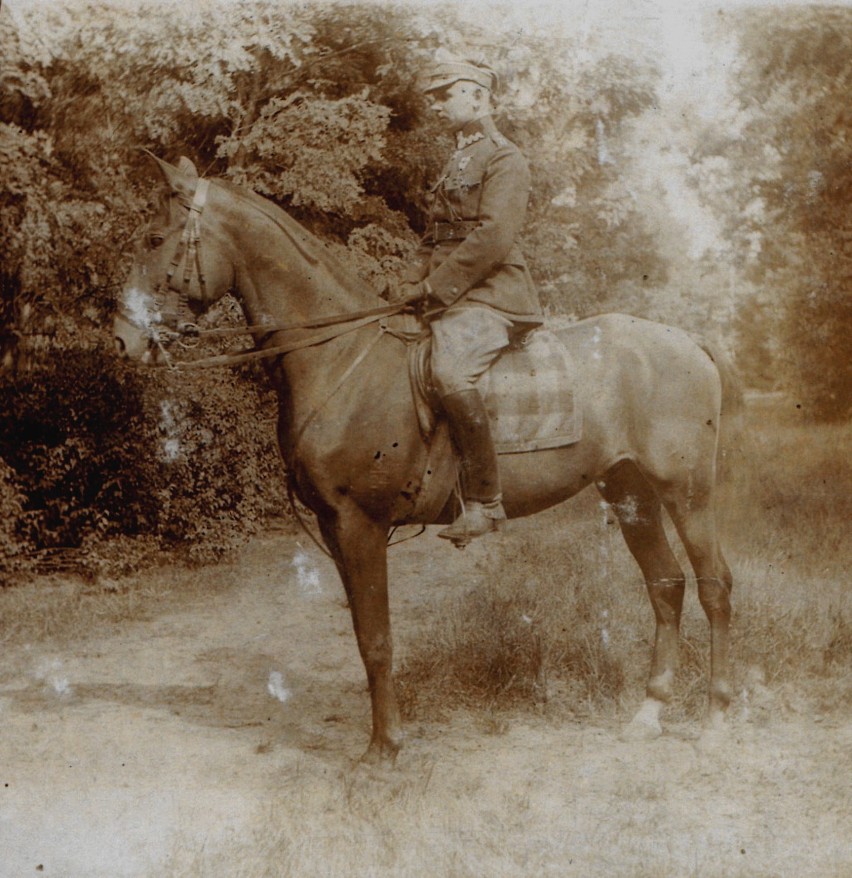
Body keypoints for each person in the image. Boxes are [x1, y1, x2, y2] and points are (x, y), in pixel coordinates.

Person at [390, 58, 543, 545]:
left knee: (451, 373)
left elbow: (493, 239)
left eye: (444, 94)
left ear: (477, 96)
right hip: (456, 295)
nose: (436, 104)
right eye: (432, 96)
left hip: (496, 294)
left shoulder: (504, 158)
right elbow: (435, 236)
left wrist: (431, 289)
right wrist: (404, 282)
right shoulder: (458, 158)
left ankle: (486, 502)